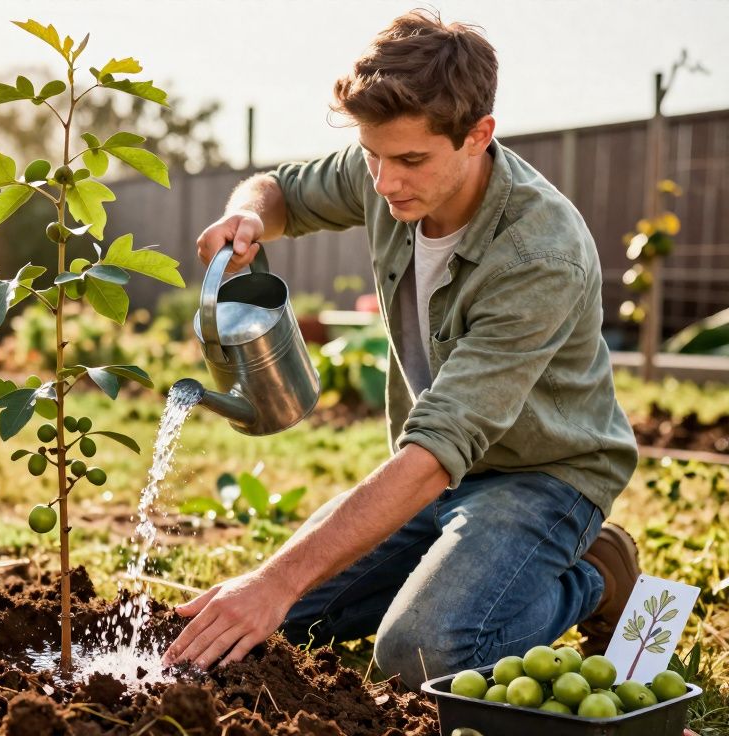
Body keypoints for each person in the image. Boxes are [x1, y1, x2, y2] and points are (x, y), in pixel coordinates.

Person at [163, 9, 641, 689]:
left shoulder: (541, 255)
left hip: (542, 477)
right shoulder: (386, 173)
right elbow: (282, 192)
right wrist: (246, 213)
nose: (384, 183)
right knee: (291, 622)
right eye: (372, 155)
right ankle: (457, 571)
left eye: (411, 159)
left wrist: (274, 578)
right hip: (436, 477)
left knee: (421, 653)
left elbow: (438, 446)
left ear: (479, 136)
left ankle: (594, 574)